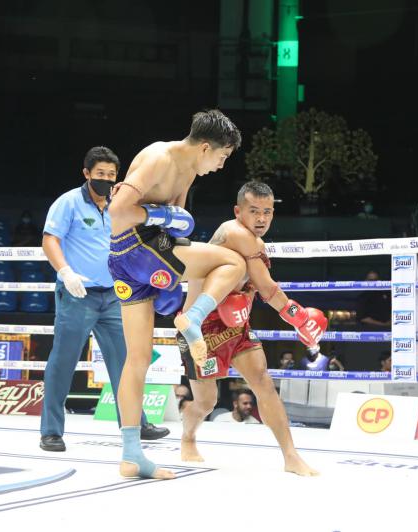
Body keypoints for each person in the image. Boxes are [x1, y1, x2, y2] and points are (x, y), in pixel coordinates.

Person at [107, 110, 247, 479]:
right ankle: (194, 317)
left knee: (138, 359)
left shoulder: (188, 170)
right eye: (222, 157)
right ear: (205, 147)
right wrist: (163, 216)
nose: (220, 166)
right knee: (233, 263)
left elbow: (176, 226)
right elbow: (117, 210)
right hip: (138, 249)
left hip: (130, 260)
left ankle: (131, 455)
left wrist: (167, 272)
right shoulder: (159, 158)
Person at [176, 180, 323, 476]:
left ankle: (291, 456)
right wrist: (300, 318)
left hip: (237, 325)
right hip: (201, 328)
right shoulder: (233, 232)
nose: (261, 218)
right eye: (254, 211)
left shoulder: (256, 244)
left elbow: (259, 288)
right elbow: (268, 289)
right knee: (206, 402)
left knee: (263, 382)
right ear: (238, 211)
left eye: (267, 212)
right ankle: (188, 436)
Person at [39, 146, 168, 454]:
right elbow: (49, 239)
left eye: (112, 175)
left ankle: (136, 423)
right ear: (86, 173)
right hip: (77, 294)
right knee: (63, 362)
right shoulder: (68, 202)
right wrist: (66, 271)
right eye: (101, 174)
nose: (107, 180)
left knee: (125, 360)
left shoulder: (120, 204)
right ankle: (51, 432)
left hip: (114, 294)